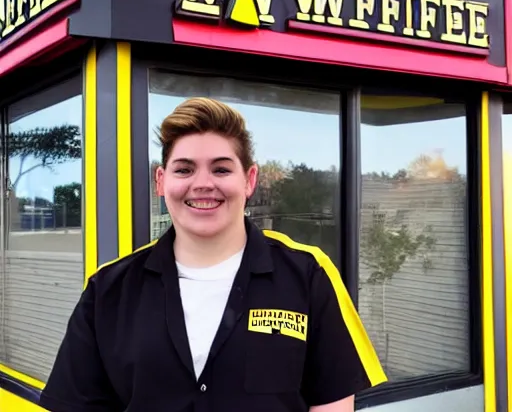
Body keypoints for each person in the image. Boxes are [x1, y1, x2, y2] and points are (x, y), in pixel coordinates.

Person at [39, 97, 387, 412]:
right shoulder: (109, 289)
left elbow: (332, 403)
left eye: (221, 169)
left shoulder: (308, 274)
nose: (203, 183)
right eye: (184, 169)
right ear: (161, 182)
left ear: (249, 180)